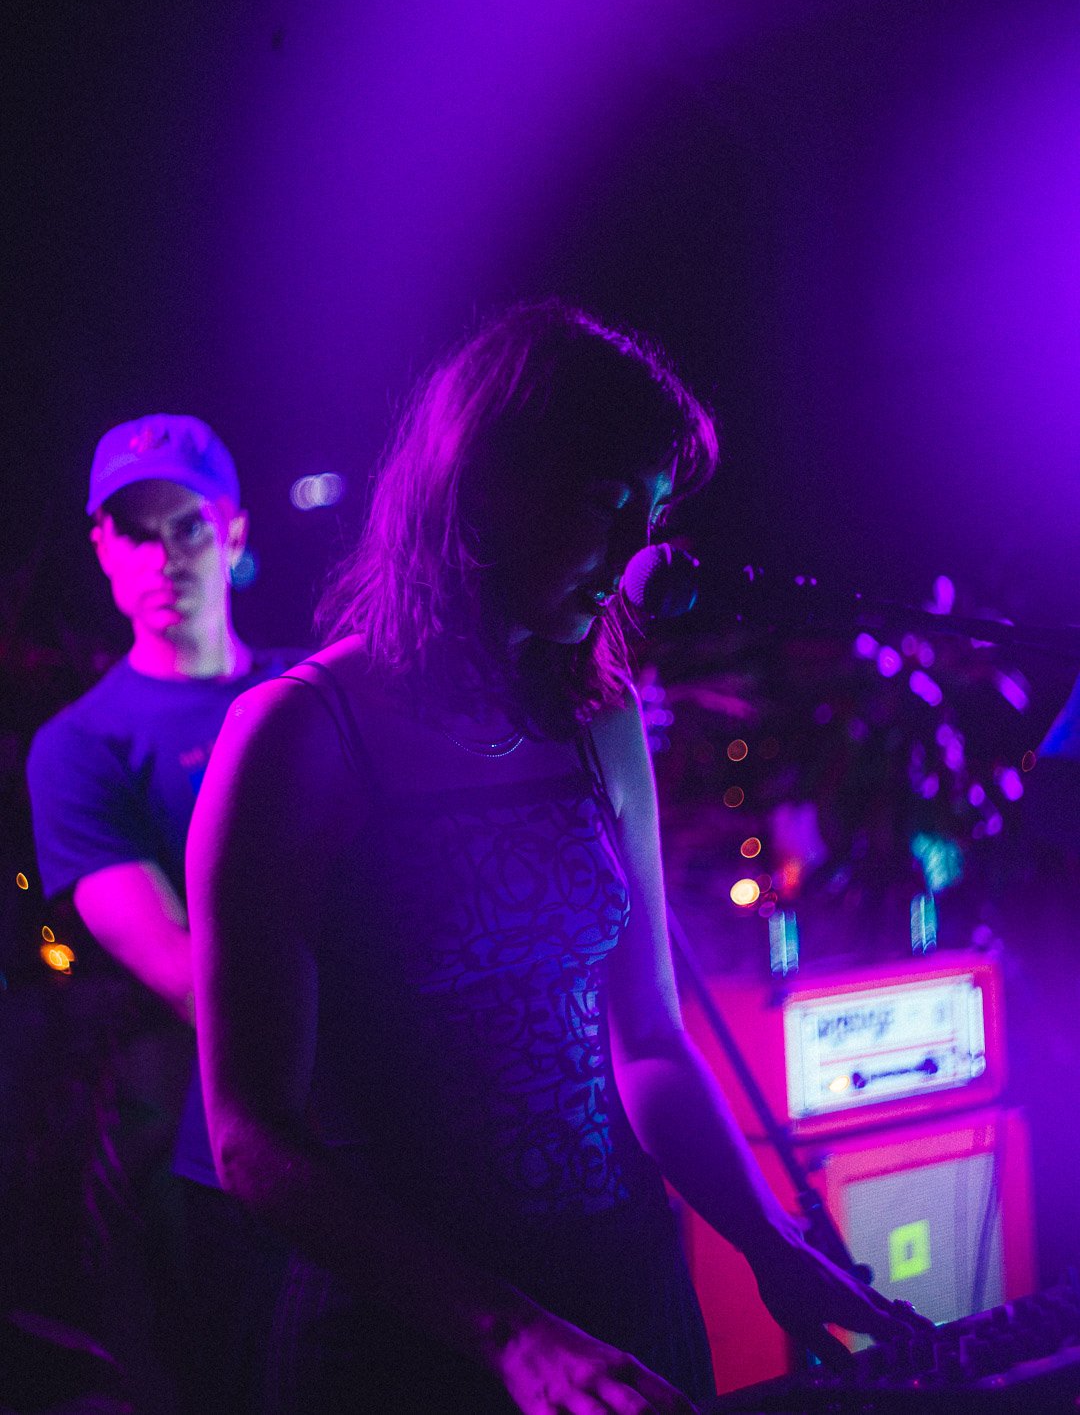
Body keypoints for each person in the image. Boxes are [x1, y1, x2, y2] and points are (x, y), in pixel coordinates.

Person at [188, 303, 923, 1415]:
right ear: (486, 484)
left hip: (622, 1294)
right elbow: (253, 1141)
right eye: (604, 502)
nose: (634, 556)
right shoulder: (299, 734)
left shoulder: (597, 715)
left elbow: (650, 1040)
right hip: (406, 1332)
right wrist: (511, 1334)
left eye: (653, 515)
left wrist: (767, 1239)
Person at [26, 414, 298, 1414]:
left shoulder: (311, 691)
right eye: (135, 532)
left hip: (376, 1129)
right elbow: (184, 974)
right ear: (102, 548)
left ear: (233, 532)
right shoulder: (81, 745)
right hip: (225, 1160)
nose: (164, 555)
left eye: (187, 524)